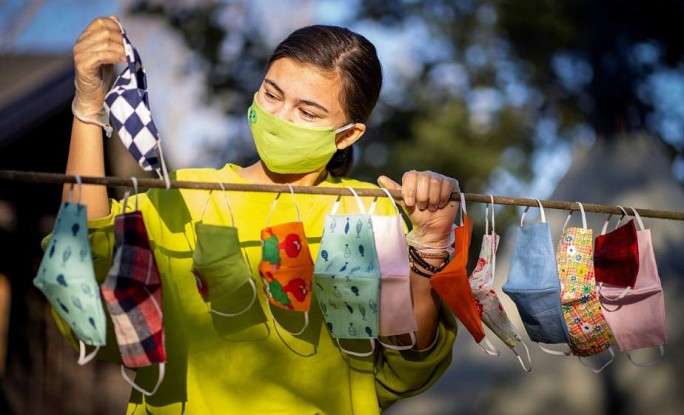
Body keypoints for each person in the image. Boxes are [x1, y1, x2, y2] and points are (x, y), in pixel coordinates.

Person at [56, 15, 460, 414]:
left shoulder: (366, 210)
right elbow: (80, 262)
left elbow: (407, 363)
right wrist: (88, 108)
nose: (279, 117)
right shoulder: (183, 197)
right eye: (272, 94)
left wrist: (427, 250)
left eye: (308, 112)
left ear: (348, 134)